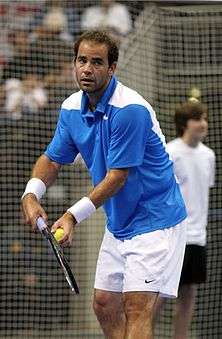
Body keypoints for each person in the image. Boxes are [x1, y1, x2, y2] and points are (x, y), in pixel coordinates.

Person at [21, 30, 187, 339]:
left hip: (155, 218)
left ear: (112, 68)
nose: (87, 69)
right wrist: (31, 193)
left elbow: (117, 176)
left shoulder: (130, 110)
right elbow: (53, 159)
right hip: (120, 222)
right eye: (82, 60)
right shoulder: (71, 108)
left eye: (97, 62)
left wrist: (71, 216)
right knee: (104, 302)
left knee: (136, 306)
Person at [155, 100, 215, 339]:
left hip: (198, 236)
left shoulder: (209, 155)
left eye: (204, 119)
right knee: (162, 293)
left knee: (188, 293)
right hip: (174, 235)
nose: (203, 124)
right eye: (197, 119)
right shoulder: (170, 152)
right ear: (184, 124)